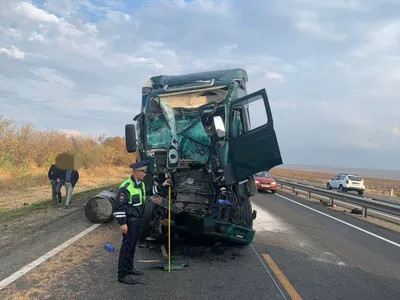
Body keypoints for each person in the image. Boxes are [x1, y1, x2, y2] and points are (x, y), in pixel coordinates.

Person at [115, 160, 171, 284]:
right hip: (130, 221)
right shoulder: (126, 186)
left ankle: (129, 268)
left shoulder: (141, 184)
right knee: (126, 247)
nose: (145, 174)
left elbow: (151, 191)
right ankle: (122, 275)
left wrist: (163, 185)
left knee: (133, 246)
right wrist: (122, 223)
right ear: (136, 172)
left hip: (138, 221)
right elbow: (119, 206)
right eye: (143, 171)